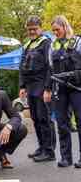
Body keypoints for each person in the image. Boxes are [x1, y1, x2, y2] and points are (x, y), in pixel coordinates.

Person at [19, 15, 56, 162]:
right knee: (35, 118)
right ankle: (41, 147)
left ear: (40, 28)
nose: (32, 32)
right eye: (29, 29)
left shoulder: (46, 43)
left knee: (44, 118)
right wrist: (22, 86)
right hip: (30, 86)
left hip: (42, 85)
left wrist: (48, 88)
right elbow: (22, 67)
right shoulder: (27, 45)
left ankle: (49, 151)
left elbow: (50, 67)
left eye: (34, 29)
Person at [47, 15, 81, 168]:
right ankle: (66, 158)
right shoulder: (52, 46)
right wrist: (47, 89)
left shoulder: (78, 42)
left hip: (76, 88)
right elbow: (50, 69)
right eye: (53, 30)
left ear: (65, 26)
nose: (55, 32)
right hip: (59, 87)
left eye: (57, 29)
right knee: (62, 123)